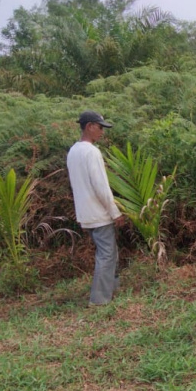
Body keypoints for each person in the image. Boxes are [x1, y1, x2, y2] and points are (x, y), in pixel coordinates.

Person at [67, 110, 126, 306]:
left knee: (109, 252)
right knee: (107, 255)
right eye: (100, 127)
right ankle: (100, 300)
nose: (102, 132)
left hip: (85, 213)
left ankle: (113, 288)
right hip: (99, 213)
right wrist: (114, 212)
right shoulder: (91, 152)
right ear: (90, 126)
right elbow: (101, 186)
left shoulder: (73, 151)